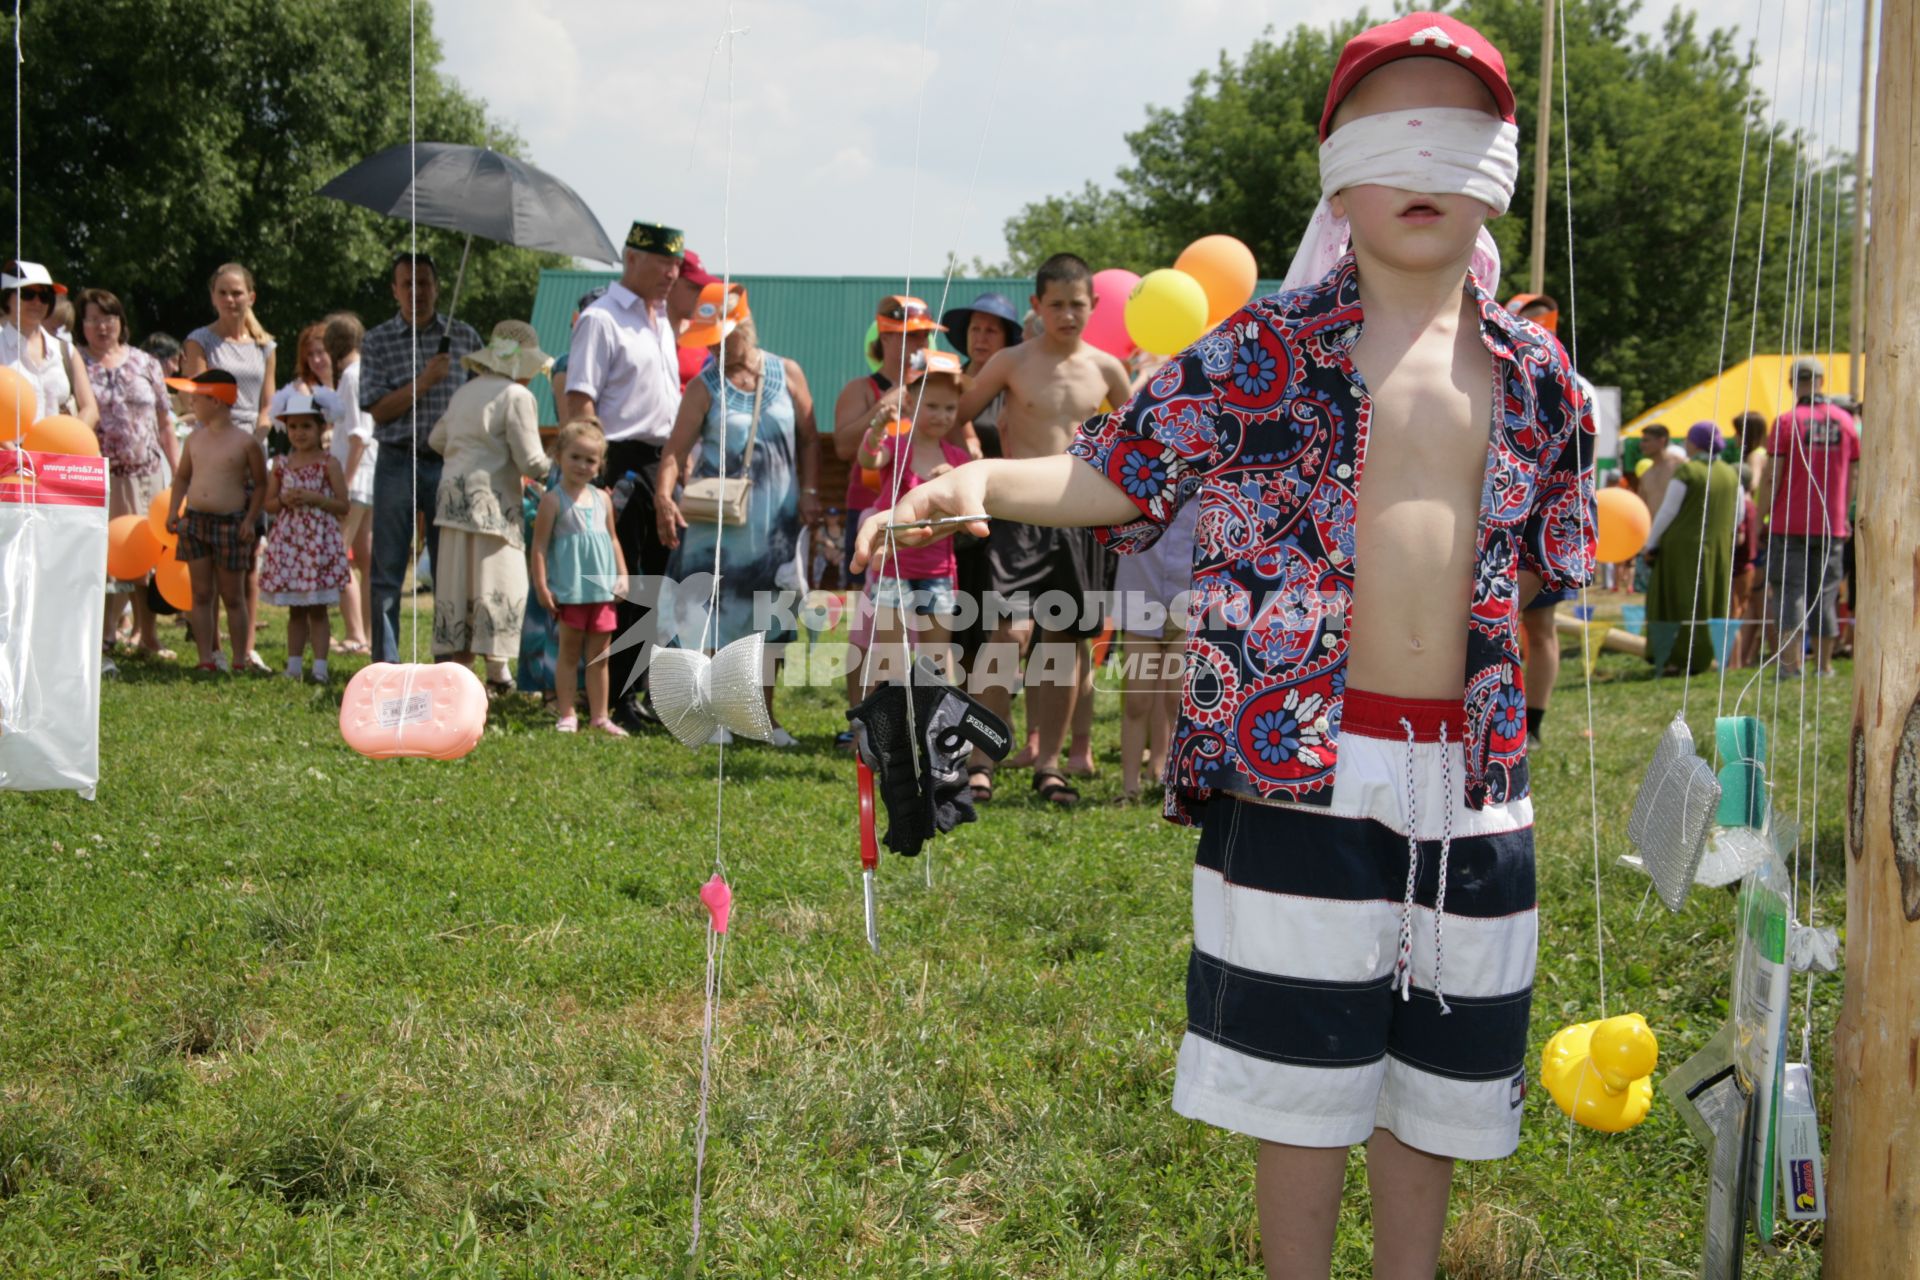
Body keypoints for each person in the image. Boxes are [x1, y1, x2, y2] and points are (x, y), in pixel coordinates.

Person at [856, 15, 1592, 1275]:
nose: (1424, 165)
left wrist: (1534, 722)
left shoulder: (1542, 382)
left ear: (1499, 169)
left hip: (1470, 786)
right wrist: (962, 491)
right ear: (1337, 171)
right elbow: (1107, 478)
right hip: (1294, 771)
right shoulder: (1260, 352)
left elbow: (1543, 587)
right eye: (1392, 130)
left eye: (1456, 135)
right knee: (1297, 1089)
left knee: (1437, 1090)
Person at [953, 254, 1132, 808]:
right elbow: (956, 410)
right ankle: (981, 760)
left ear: (1093, 306)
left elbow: (1138, 442)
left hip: (1080, 520)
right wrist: (964, 460)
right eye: (1055, 304)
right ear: (1037, 306)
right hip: (1019, 515)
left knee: (1063, 645)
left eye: (1077, 304)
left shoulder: (1107, 370)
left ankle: (1050, 766)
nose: (1067, 314)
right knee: (1009, 636)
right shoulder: (1010, 361)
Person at [656, 283, 820, 747]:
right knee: (715, 614)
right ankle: (713, 716)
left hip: (778, 524)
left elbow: (810, 437)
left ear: (744, 326)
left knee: (776, 615)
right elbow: (675, 451)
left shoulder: (787, 373)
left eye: (723, 334)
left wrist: (809, 490)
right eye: (708, 337)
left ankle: (762, 716)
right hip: (718, 523)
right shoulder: (703, 386)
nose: (715, 344)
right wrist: (664, 497)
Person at [564, 220, 687, 730]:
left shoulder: (661, 321)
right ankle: (607, 698)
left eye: (676, 265)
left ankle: (634, 693)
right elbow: (580, 399)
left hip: (662, 457)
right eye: (663, 263)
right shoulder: (602, 319)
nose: (672, 274)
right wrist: (592, 472)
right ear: (632, 258)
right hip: (617, 456)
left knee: (654, 580)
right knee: (622, 579)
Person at [830, 294, 947, 749]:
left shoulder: (936, 387)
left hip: (924, 520)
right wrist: (885, 407)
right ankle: (857, 720)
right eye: (906, 335)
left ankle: (915, 721)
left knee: (924, 626)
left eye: (922, 335)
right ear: (885, 336)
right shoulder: (862, 386)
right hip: (871, 516)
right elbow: (842, 446)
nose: (916, 342)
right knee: (867, 627)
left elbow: (960, 438)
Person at [360, 251, 483, 664]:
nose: (417, 291)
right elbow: (376, 408)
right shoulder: (376, 340)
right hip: (397, 459)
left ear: (438, 287)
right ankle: (386, 665)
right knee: (387, 570)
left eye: (424, 282)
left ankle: (449, 665)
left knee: (451, 574)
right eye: (407, 284)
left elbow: (485, 400)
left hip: (451, 464)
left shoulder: (464, 338)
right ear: (395, 290)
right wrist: (426, 381)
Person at [425, 320, 555, 688]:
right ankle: (497, 672)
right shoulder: (516, 396)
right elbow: (531, 461)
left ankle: (461, 676)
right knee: (497, 584)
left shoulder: (464, 392)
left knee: (458, 585)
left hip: (452, 500)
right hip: (492, 505)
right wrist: (558, 468)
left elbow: (437, 439)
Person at [853, 348, 972, 684]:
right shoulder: (898, 445)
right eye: (932, 405)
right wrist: (876, 429)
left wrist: (951, 481)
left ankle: (938, 730)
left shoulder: (957, 458)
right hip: (893, 568)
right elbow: (868, 460)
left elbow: (970, 514)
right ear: (911, 402)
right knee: (889, 661)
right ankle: (884, 732)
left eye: (950, 408)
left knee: (935, 662)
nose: (941, 415)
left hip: (938, 572)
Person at [184, 263, 278, 673]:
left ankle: (247, 649)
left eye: (237, 292)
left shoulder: (265, 346)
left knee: (247, 557)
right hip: (212, 449)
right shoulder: (199, 341)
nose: (230, 299)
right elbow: (199, 395)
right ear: (213, 297)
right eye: (223, 292)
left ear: (250, 297)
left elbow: (267, 405)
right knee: (209, 563)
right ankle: (213, 651)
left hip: (251, 451)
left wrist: (253, 444)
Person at [79, 287, 177, 658]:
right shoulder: (77, 364)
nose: (102, 326)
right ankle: (103, 637)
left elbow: (166, 422)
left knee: (146, 557)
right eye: (93, 319)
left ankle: (148, 635)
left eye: (109, 317)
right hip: (99, 477)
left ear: (121, 322)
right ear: (82, 325)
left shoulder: (145, 363)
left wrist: (179, 469)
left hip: (148, 472)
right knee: (107, 559)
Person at [164, 370, 268, 674]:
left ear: (217, 401)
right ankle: (206, 658)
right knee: (201, 593)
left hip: (230, 524)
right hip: (196, 520)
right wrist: (174, 510)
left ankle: (239, 659)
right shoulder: (195, 438)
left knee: (232, 595)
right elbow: (182, 476)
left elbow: (260, 485)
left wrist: (251, 519)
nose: (191, 402)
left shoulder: (245, 443)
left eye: (197, 397)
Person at [1760, 357, 1859, 677]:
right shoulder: (1845, 422)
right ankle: (1824, 665)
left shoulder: (1787, 422)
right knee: (1826, 594)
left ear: (1792, 383)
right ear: (1821, 381)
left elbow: (1772, 476)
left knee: (1789, 593)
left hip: (1789, 524)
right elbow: (1855, 475)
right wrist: (1845, 512)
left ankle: (1790, 667)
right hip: (1832, 524)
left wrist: (1762, 514)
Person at [532, 417, 629, 735]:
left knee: (600, 656)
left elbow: (613, 539)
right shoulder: (551, 501)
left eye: (591, 459)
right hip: (570, 591)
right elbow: (540, 548)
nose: (582, 465)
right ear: (559, 455)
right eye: (575, 456)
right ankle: (567, 713)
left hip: (601, 592)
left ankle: (600, 716)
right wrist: (542, 585)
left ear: (600, 465)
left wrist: (623, 575)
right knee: (569, 653)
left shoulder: (603, 499)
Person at [259, 391, 351, 682]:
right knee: (296, 611)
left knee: (317, 609)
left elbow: (343, 505)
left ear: (321, 427)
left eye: (306, 426)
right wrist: (285, 500)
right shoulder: (281, 464)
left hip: (318, 544)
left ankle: (320, 668)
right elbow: (268, 503)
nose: (299, 433)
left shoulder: (329, 463)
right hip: (291, 544)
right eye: (293, 426)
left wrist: (314, 498)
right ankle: (294, 666)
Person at [1643, 421, 1742, 674]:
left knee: (1680, 602)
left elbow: (1667, 512)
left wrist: (1651, 543)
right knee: (1712, 602)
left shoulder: (1688, 472)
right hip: (1718, 548)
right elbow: (1738, 513)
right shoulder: (1731, 473)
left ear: (1695, 442)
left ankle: (1677, 658)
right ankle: (1707, 656)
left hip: (1682, 550)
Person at [323, 313, 375, 654]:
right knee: (367, 559)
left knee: (336, 556)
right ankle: (368, 636)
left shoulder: (352, 377)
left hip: (356, 480)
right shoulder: (366, 372)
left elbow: (358, 435)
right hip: (371, 478)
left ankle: (355, 633)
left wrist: (345, 481)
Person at [2, 261, 98, 429]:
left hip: (58, 452)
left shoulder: (66, 350)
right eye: (28, 294)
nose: (37, 302)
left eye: (45, 296)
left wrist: (67, 440)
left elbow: (90, 409)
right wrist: (15, 451)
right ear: (6, 298)